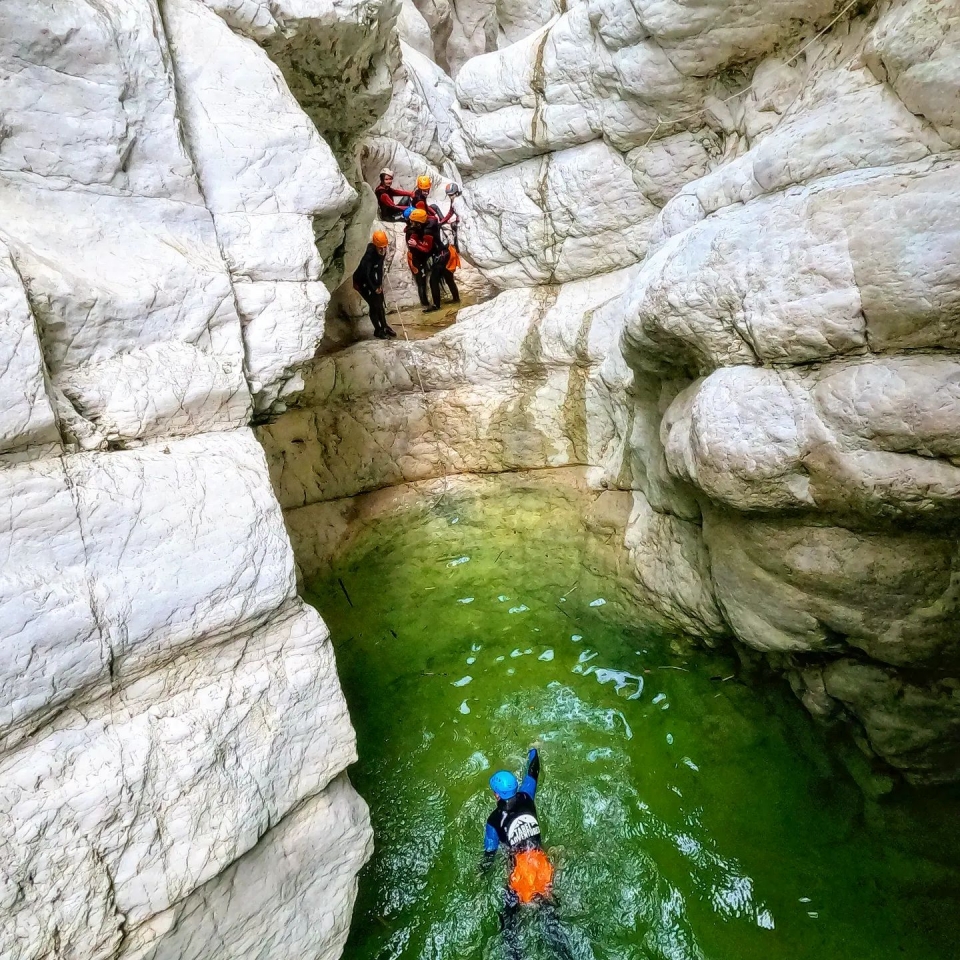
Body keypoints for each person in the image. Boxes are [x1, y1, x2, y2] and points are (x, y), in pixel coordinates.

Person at [482, 748, 575, 960]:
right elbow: (533, 772)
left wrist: (482, 872)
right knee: (551, 923)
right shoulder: (526, 796)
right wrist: (534, 750)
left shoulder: (494, 820)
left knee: (509, 925)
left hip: (521, 875)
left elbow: (489, 852)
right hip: (542, 865)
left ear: (496, 794)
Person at [407, 208, 459, 313]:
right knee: (448, 277)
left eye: (413, 221)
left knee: (433, 280)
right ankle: (456, 299)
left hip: (441, 255)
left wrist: (416, 244)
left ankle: (436, 305)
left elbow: (427, 249)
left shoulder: (428, 232)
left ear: (419, 222)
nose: (411, 223)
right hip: (446, 251)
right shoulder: (432, 219)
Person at [352, 229, 396, 338]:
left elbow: (379, 268)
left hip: (371, 277)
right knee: (374, 304)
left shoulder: (382, 251)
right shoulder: (368, 256)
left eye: (384, 247)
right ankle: (378, 329)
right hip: (361, 281)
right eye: (380, 248)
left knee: (380, 302)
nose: (383, 250)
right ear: (376, 245)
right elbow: (365, 274)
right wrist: (373, 287)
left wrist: (379, 284)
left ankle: (385, 326)